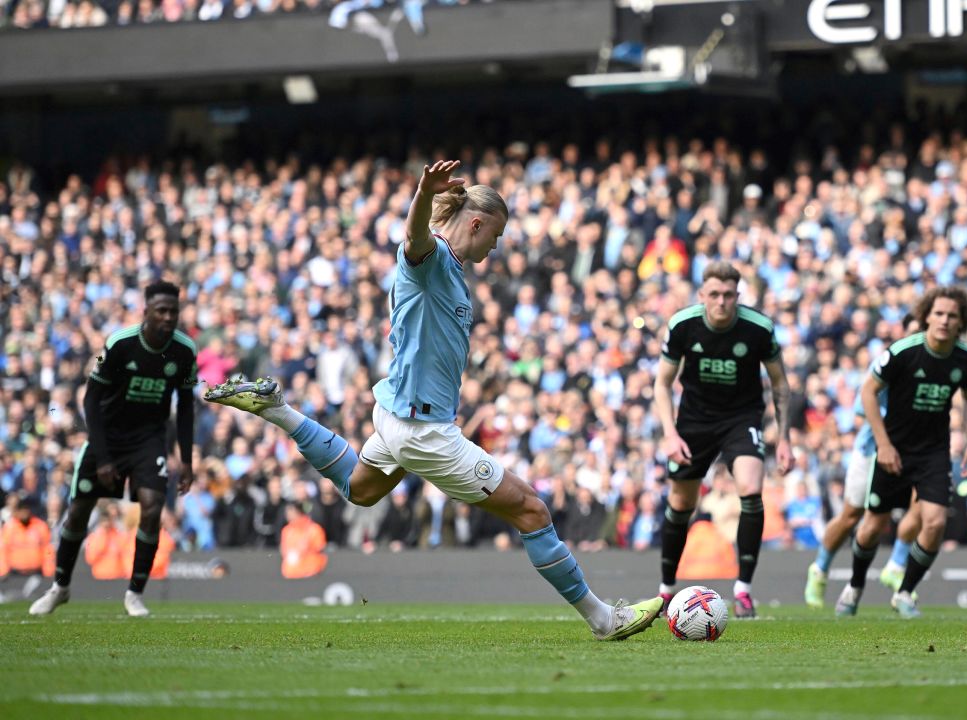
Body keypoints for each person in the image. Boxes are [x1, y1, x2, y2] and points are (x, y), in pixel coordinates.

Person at [204, 160, 660, 640]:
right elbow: (413, 240)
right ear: (477, 223)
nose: (496, 246)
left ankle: (280, 410)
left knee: (361, 490)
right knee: (532, 510)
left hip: (399, 417)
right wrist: (423, 192)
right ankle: (603, 619)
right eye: (496, 236)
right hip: (424, 431)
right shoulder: (434, 258)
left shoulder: (452, 271)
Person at [30, 281, 198, 618]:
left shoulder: (184, 351)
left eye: (173, 312)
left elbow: (187, 407)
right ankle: (60, 587)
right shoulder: (121, 345)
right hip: (107, 435)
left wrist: (187, 461)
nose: (168, 318)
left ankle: (135, 594)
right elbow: (90, 398)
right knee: (79, 510)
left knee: (151, 509)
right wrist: (103, 455)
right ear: (146, 311)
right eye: (161, 311)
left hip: (149, 439)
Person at [653, 260, 794, 618]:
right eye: (714, 294)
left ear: (738, 296)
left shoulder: (758, 328)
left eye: (728, 295)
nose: (721, 302)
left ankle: (744, 590)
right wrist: (670, 435)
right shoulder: (683, 325)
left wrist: (786, 439)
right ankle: (666, 590)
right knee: (681, 503)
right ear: (702, 295)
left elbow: (779, 383)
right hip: (694, 420)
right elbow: (662, 383)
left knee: (750, 489)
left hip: (741, 417)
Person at [837, 287, 967, 619]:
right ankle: (855, 586)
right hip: (894, 450)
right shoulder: (902, 352)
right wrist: (883, 444)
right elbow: (868, 392)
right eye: (939, 313)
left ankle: (904, 593)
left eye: (952, 316)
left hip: (933, 453)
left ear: (962, 322)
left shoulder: (966, 359)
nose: (944, 320)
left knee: (935, 523)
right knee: (873, 526)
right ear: (927, 316)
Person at [803, 389, 922, 611]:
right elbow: (862, 406)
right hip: (871, 452)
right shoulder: (891, 362)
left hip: (910, 452)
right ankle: (820, 569)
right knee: (851, 516)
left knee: (923, 506)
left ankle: (896, 564)